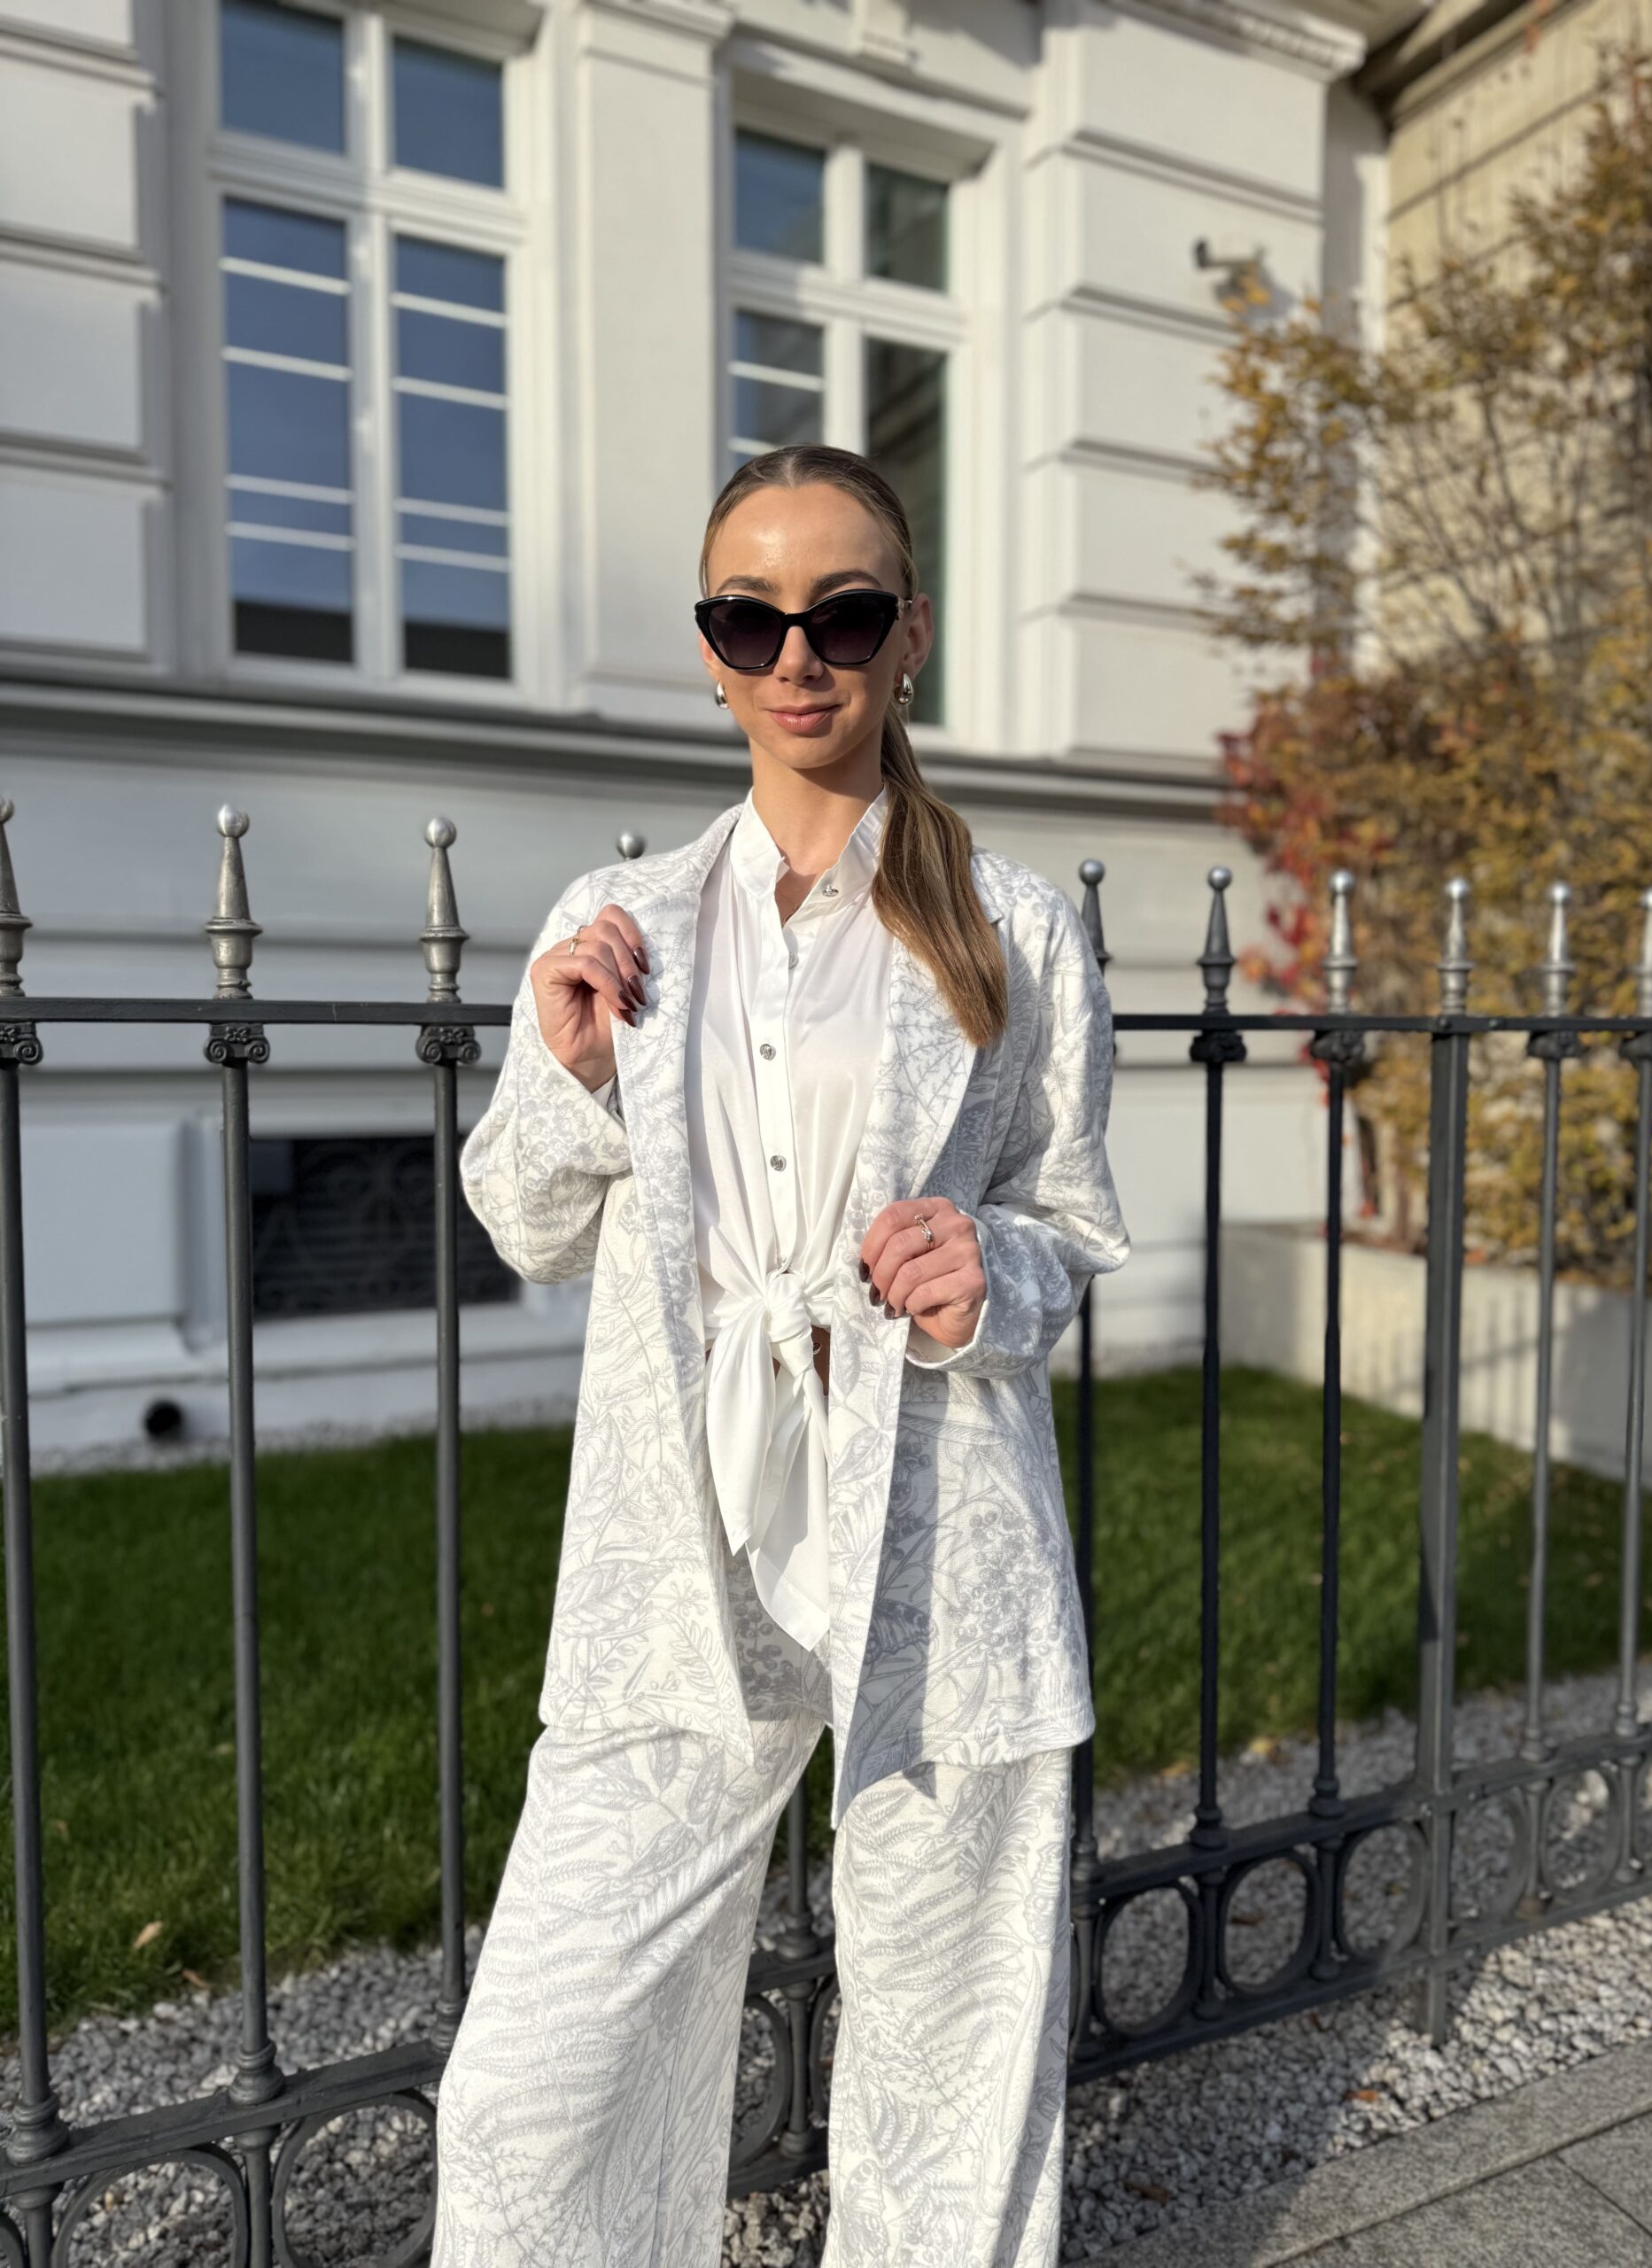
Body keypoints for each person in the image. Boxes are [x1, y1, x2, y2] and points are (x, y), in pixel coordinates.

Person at [430, 444, 1128, 2267]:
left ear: (911, 637)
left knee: (950, 2063)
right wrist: (572, 1076)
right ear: (711, 649)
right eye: (753, 618)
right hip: (680, 1549)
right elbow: (523, 1219)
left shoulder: (1016, 928)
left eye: (845, 611)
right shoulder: (625, 921)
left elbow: (1069, 1224)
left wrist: (992, 1273)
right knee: (533, 2076)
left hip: (941, 1541)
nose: (798, 653)